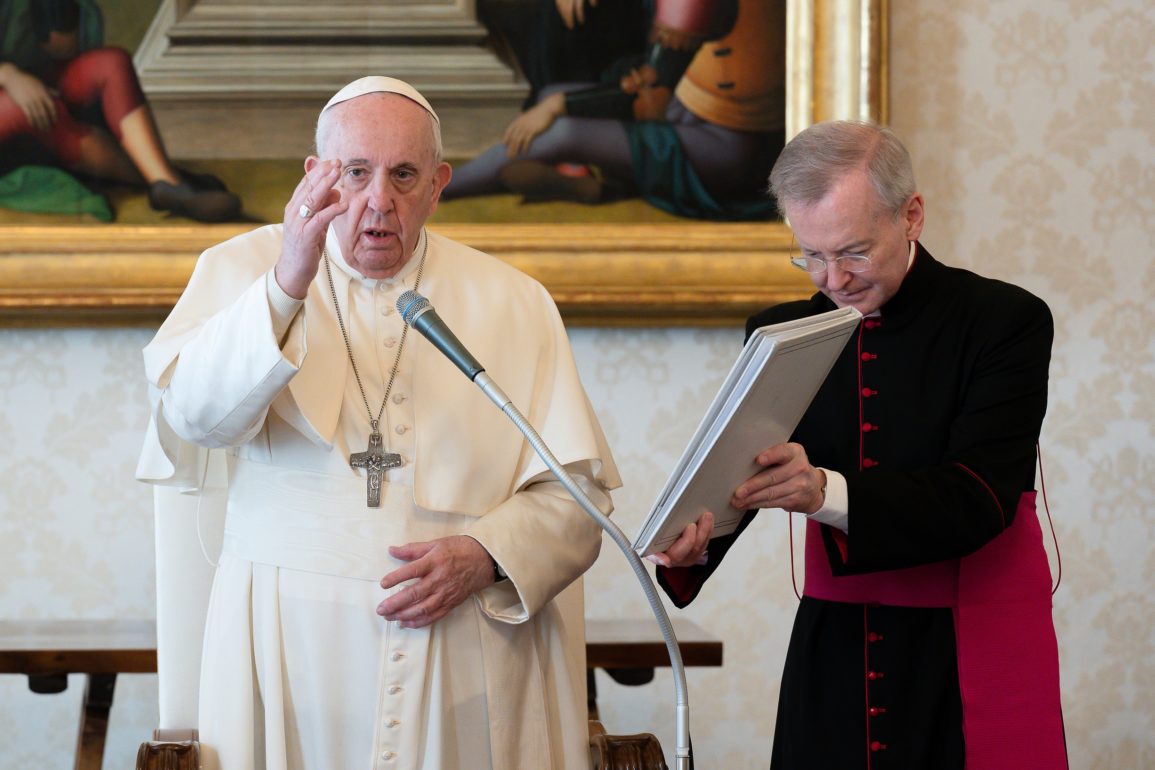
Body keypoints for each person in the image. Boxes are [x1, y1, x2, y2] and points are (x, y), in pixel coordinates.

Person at [136, 75, 619, 770]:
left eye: (403, 176)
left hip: (459, 656)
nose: (377, 203)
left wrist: (488, 555)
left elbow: (580, 499)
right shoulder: (238, 271)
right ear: (315, 175)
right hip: (283, 646)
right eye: (354, 173)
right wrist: (285, 284)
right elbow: (197, 420)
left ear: (438, 185)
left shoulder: (514, 302)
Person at [650, 121, 1068, 768]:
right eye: (809, 255)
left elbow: (979, 495)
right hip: (837, 639)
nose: (832, 280)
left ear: (911, 216)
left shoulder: (1002, 321)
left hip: (966, 635)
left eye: (852, 252)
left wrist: (824, 492)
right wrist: (692, 542)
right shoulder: (780, 331)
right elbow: (746, 470)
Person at [444, 0, 785, 221]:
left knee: (562, 127)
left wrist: (556, 107)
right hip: (696, 109)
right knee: (553, 93)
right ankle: (599, 187)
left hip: (730, 154)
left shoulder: (693, 4)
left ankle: (443, 187)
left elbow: (649, 92)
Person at [0, 0, 241, 221]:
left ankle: (163, 180)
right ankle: (170, 182)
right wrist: (9, 75)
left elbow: (61, 49)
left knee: (111, 63)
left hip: (32, 80)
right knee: (34, 109)